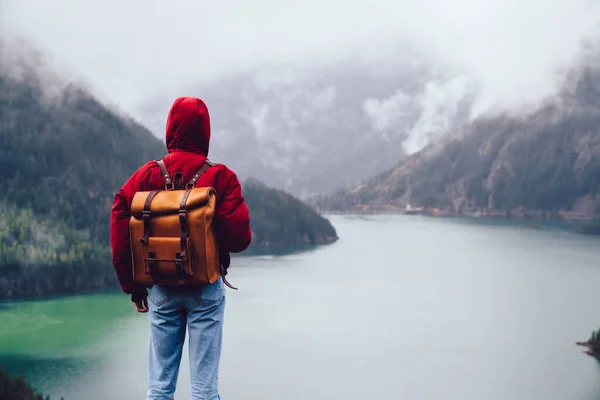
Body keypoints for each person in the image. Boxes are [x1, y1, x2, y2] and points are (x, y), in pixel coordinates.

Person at [110, 96, 252, 400]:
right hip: (206, 290)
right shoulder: (221, 177)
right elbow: (240, 238)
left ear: (170, 129)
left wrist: (133, 287)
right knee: (204, 390)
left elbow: (120, 212)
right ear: (206, 133)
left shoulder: (148, 174)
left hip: (161, 286)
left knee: (159, 388)